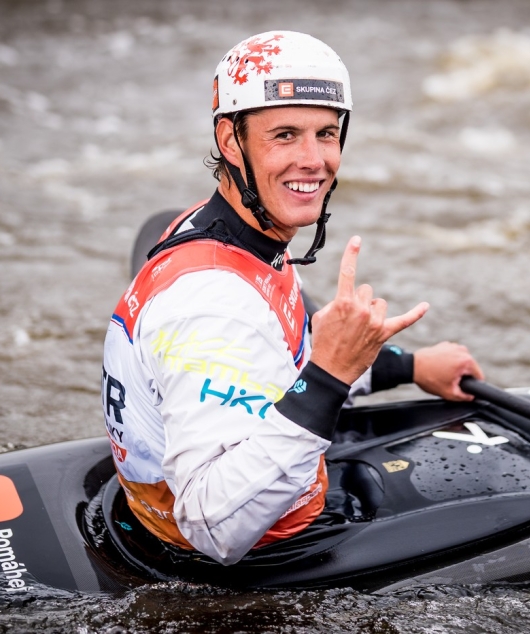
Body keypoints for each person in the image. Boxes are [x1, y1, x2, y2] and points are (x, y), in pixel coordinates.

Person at [102, 31, 483, 565]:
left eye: (326, 134)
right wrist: (329, 375)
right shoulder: (213, 303)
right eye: (285, 134)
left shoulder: (217, 230)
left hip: (224, 498)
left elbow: (276, 358)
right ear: (231, 141)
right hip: (254, 557)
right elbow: (213, 527)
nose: (314, 159)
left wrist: (410, 367)